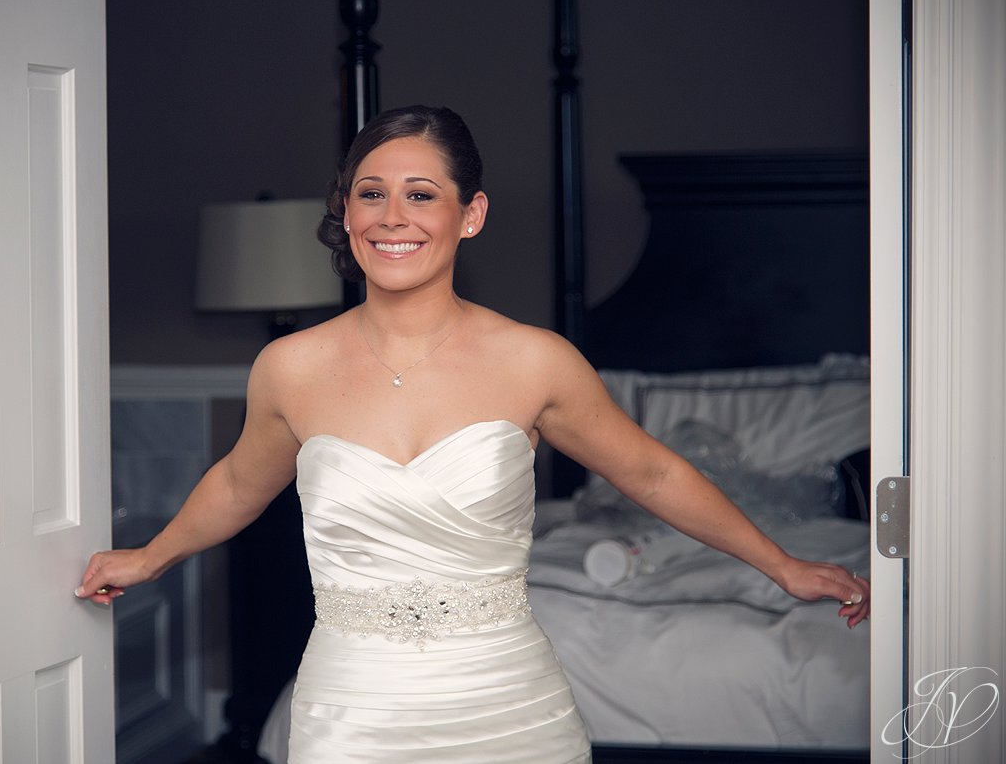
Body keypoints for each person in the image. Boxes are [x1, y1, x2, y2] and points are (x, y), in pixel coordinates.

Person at [76, 105, 871, 763]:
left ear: (471, 213)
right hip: (352, 706)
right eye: (370, 193)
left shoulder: (534, 361)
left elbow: (654, 475)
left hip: (504, 703)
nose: (392, 217)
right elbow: (240, 482)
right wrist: (152, 555)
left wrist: (782, 565)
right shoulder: (290, 367)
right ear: (345, 213)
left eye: (421, 195)